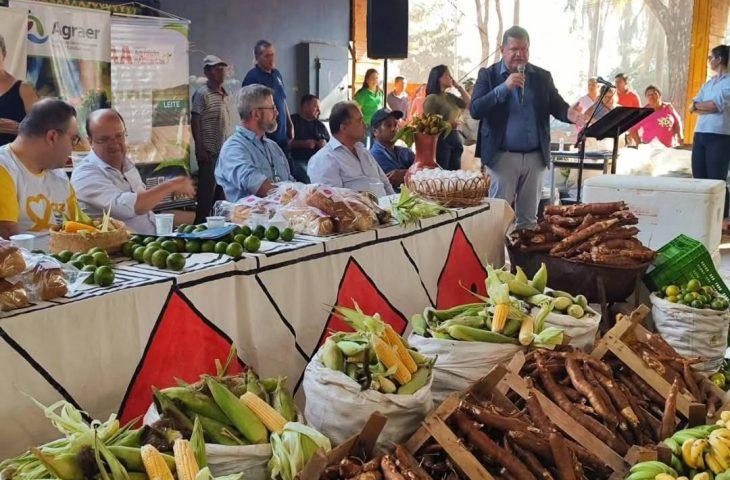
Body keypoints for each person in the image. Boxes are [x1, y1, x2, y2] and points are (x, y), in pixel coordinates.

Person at [470, 25, 585, 228]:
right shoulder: (488, 76)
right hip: (501, 157)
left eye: (524, 49)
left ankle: (524, 260)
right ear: (502, 50)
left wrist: (571, 115)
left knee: (529, 220)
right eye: (514, 49)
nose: (520, 55)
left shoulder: (541, 76)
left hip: (535, 158)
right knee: (497, 219)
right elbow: (476, 109)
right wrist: (503, 88)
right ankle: (495, 260)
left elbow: (556, 104)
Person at [71, 109, 196, 235]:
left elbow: (145, 210)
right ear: (90, 141)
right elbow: (127, 208)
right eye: (104, 139)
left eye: (119, 136)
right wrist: (172, 185)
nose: (114, 144)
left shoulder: (126, 164)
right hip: (117, 250)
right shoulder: (84, 173)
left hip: (152, 242)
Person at [0, 99, 80, 241]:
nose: (74, 147)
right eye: (73, 139)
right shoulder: (4, 167)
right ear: (52, 137)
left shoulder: (58, 173)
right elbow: (11, 243)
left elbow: (80, 229)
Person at [215, 84, 294, 200]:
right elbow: (257, 185)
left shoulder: (273, 146)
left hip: (284, 215)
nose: (277, 113)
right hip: (250, 217)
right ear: (255, 114)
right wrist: (294, 198)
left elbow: (290, 182)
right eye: (272, 108)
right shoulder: (233, 148)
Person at [307, 101, 395, 197]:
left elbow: (385, 184)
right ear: (344, 128)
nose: (364, 125)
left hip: (386, 208)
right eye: (360, 121)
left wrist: (395, 207)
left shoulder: (363, 151)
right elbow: (333, 202)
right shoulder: (324, 159)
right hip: (360, 211)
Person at [191, 54, 237, 224]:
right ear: (207, 72)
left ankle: (217, 226)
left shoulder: (224, 93)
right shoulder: (202, 94)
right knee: (206, 194)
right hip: (209, 152)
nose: (221, 72)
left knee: (221, 194)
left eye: (222, 69)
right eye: (217, 69)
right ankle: (199, 226)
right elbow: (195, 120)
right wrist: (199, 148)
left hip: (223, 153)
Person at [690, 44, 730, 231]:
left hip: (720, 135)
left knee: (716, 179)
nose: (709, 61)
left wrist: (701, 106)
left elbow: (716, 106)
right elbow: (693, 106)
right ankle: (702, 218)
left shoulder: (729, 82)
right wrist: (701, 105)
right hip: (701, 133)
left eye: (711, 57)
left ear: (720, 58)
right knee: (699, 178)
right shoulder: (709, 83)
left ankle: (722, 221)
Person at [242, 40, 293, 154]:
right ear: (257, 57)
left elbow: (282, 100)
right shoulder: (252, 77)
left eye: (273, 55)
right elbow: (249, 111)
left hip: (282, 138)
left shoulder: (277, 74)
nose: (271, 59)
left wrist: (290, 124)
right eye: (267, 56)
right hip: (265, 139)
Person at [423, 65, 471, 170]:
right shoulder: (432, 98)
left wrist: (459, 87)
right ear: (438, 78)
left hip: (456, 138)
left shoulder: (450, 96)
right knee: (444, 176)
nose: (451, 77)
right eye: (447, 75)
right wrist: (448, 124)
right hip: (442, 141)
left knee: (455, 176)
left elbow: (470, 104)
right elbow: (427, 125)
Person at [0, 33, 38, 146]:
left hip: (11, 160)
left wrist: (20, 128)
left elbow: (41, 129)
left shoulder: (24, 89)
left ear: (4, 55)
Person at [370, 108, 415, 189]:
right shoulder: (374, 156)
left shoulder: (405, 151)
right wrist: (410, 173)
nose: (394, 129)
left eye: (395, 125)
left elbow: (427, 169)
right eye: (388, 125)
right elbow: (395, 180)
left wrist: (406, 174)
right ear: (375, 131)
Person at [289, 94, 330, 183]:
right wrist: (303, 144)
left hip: (318, 163)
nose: (319, 110)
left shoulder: (320, 126)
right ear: (305, 106)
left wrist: (324, 144)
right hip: (298, 161)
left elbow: (330, 145)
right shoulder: (292, 121)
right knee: (309, 178)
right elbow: (284, 143)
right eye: (315, 106)